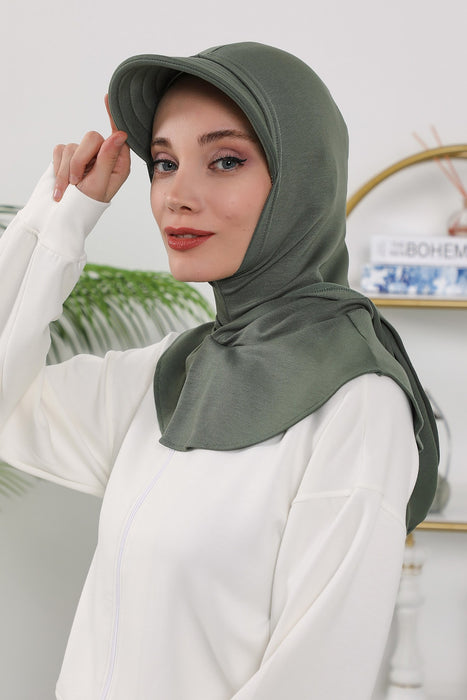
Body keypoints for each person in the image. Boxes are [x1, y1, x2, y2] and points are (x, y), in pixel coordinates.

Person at [0, 42, 438, 700]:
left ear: (302, 179)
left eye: (225, 160)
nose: (176, 196)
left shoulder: (357, 403)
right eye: (165, 163)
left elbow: (313, 681)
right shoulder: (175, 370)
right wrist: (59, 218)